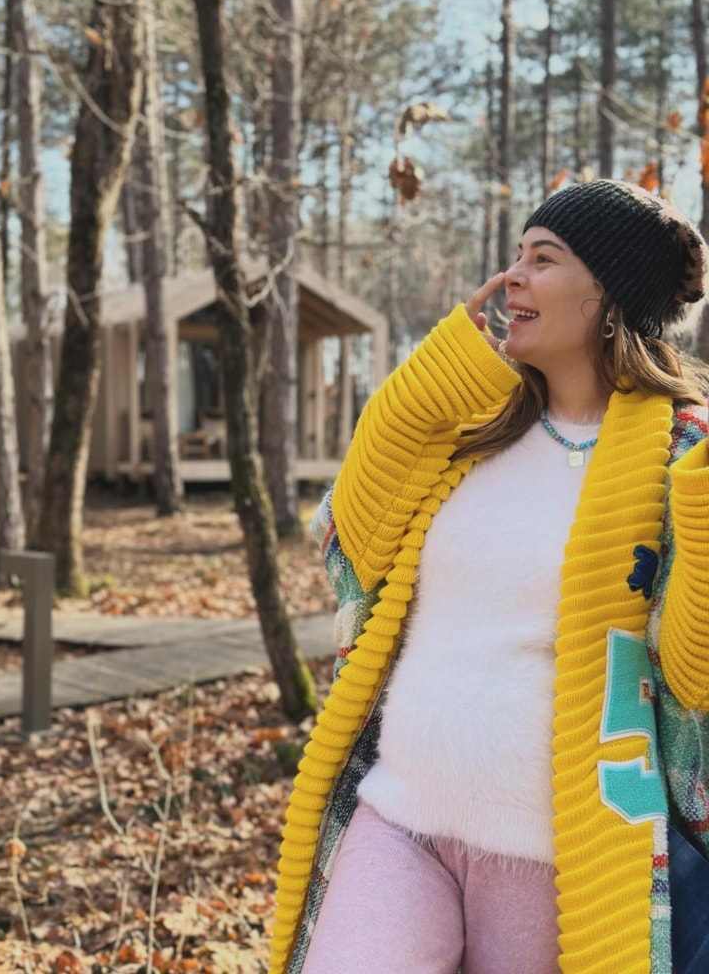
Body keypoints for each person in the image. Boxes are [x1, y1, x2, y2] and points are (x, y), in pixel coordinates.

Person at [269, 179, 709, 974]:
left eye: (543, 259)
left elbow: (691, 677)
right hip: (401, 816)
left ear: (608, 297)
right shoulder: (470, 427)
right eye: (516, 255)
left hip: (554, 853)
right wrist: (436, 374)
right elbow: (350, 550)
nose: (513, 277)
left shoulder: (679, 452)